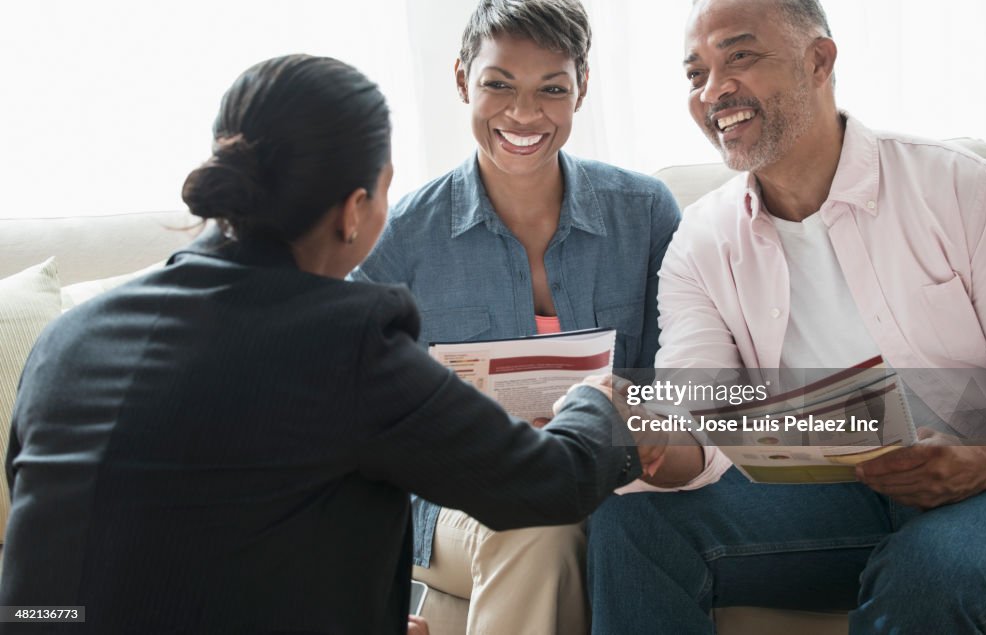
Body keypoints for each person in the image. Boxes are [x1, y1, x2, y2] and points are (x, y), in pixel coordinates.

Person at [0, 54, 656, 634]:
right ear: (353, 210)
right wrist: (601, 401)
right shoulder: (346, 340)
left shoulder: (68, 339)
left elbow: (119, 552)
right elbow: (550, 484)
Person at [586, 0, 986, 635]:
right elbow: (698, 427)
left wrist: (979, 467)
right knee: (630, 519)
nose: (714, 90)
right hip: (828, 499)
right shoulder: (700, 241)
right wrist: (646, 437)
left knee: (932, 566)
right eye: (694, 72)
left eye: (740, 56)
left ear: (819, 60)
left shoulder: (959, 188)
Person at [350, 0, 688, 635]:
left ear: (581, 89)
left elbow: (678, 370)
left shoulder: (645, 213)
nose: (524, 114)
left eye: (551, 88)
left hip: (612, 478)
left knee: (575, 508)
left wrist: (637, 420)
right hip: (454, 503)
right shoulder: (401, 237)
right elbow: (353, 412)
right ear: (461, 80)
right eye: (499, 84)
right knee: (537, 509)